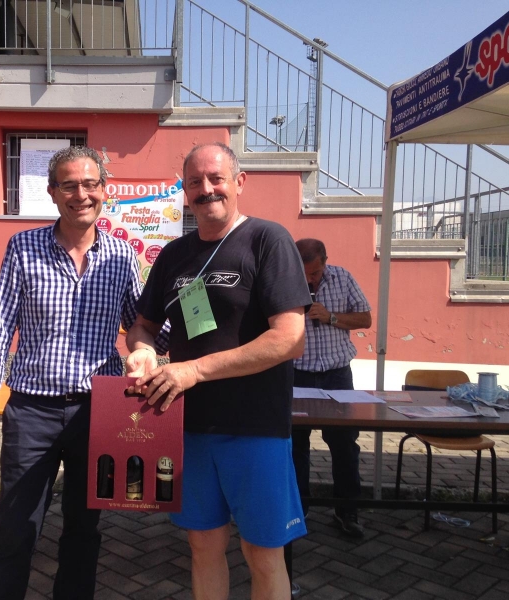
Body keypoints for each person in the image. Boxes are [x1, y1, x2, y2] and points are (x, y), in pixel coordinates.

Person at [0, 146, 161, 600]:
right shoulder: (23, 248)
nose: (81, 195)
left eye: (90, 184)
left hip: (99, 411)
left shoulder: (121, 256)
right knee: (16, 527)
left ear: (104, 190)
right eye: (69, 185)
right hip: (33, 411)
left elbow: (141, 325)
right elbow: (0, 327)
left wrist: (162, 341)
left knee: (84, 529)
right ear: (52, 192)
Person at [125, 142, 310, 600]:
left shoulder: (268, 240)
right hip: (188, 427)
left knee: (262, 554)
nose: (206, 189)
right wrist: (143, 351)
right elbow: (144, 325)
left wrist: (194, 370)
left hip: (255, 428)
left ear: (239, 182)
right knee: (202, 546)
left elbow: (289, 338)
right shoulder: (174, 255)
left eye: (216, 178)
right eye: (195, 182)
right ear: (185, 192)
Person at [290, 238, 372, 538]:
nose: (310, 280)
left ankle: (346, 510)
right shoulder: (284, 280)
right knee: (295, 445)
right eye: (304, 274)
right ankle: (298, 509)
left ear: (325, 261)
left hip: (337, 376)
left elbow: (365, 318)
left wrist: (330, 317)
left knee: (344, 443)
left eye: (314, 273)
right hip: (296, 374)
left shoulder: (343, 278)